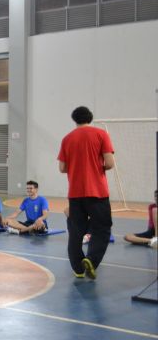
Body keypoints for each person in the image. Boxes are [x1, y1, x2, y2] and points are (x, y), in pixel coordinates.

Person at [58, 106, 115, 279]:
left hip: (75, 193)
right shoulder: (101, 134)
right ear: (90, 117)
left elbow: (62, 168)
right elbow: (110, 163)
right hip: (97, 191)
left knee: (76, 231)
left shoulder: (67, 139)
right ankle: (91, 259)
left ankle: (78, 268)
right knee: (102, 228)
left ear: (74, 119)